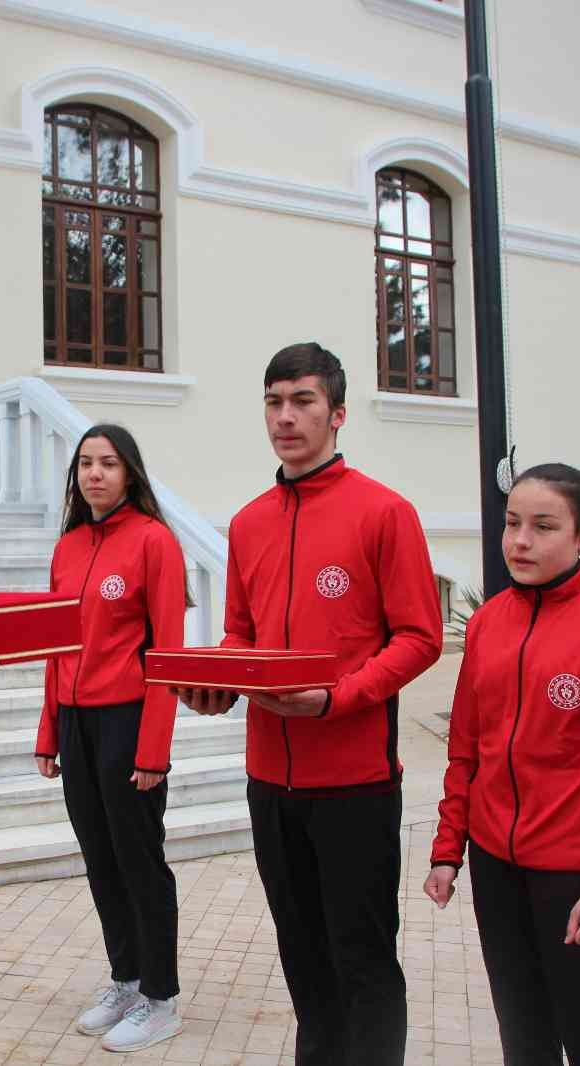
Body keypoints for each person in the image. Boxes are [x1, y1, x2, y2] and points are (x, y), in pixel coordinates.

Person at [178, 342, 443, 1065]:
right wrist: (218, 685)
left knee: (362, 961)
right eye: (274, 401)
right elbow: (241, 634)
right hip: (270, 782)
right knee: (302, 963)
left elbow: (421, 637)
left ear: (338, 414)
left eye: (302, 401)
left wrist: (336, 699)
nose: (285, 417)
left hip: (354, 782)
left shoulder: (384, 513)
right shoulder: (250, 522)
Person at [424, 463, 580, 1066]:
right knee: (523, 1034)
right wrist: (449, 850)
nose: (520, 541)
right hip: (498, 869)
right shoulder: (486, 624)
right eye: (511, 524)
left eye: (543, 526)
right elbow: (466, 750)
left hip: (577, 875)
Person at [34, 424, 188, 1053]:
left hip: (129, 719)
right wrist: (49, 732)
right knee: (99, 857)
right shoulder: (68, 545)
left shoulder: (155, 543)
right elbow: (52, 644)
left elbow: (169, 653)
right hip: (77, 722)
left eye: (109, 464)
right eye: (86, 464)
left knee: (138, 859)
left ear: (131, 474)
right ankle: (126, 980)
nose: (94, 474)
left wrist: (153, 748)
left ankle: (161, 997)